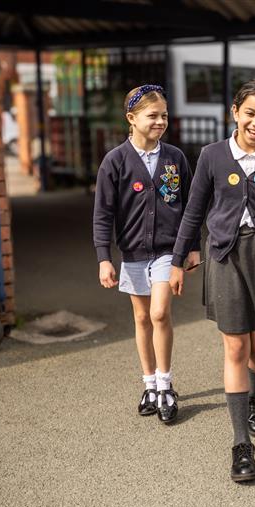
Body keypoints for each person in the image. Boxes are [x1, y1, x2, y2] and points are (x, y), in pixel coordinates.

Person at [170, 80, 255, 483]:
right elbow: (193, 211)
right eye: (250, 113)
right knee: (235, 347)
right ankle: (242, 444)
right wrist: (178, 260)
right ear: (235, 113)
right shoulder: (211, 156)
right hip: (224, 256)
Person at [93, 84, 197, 425]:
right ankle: (149, 384)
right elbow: (103, 213)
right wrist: (104, 257)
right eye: (152, 116)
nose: (160, 121)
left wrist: (191, 247)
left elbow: (190, 209)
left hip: (168, 251)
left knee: (158, 313)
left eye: (164, 115)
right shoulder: (115, 161)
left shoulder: (175, 158)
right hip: (133, 253)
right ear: (131, 119)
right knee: (140, 319)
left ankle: (166, 384)